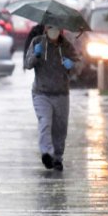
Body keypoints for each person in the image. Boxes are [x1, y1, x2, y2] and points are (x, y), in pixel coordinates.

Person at [23, 24, 79, 171]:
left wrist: (72, 65)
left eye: (56, 27)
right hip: (41, 92)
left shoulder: (66, 45)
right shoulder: (37, 42)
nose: (53, 30)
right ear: (45, 29)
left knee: (60, 128)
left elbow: (79, 66)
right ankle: (47, 153)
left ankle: (57, 158)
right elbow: (27, 64)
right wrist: (36, 55)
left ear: (61, 30)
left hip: (61, 93)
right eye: (49, 27)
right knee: (45, 122)